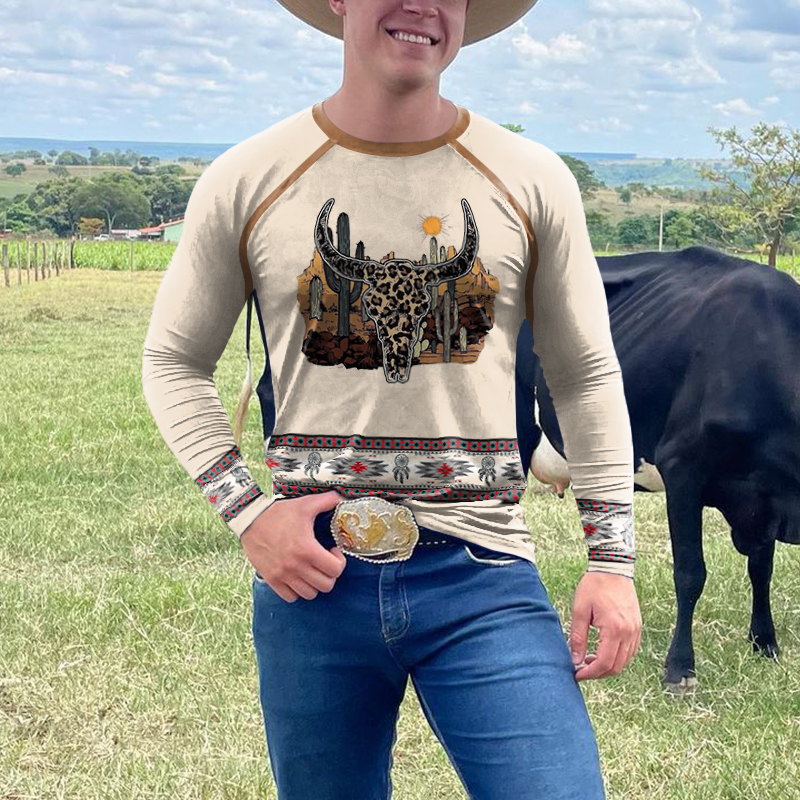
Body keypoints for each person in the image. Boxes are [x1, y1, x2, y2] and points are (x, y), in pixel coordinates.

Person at [141, 0, 643, 797]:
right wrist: (248, 514)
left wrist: (612, 561)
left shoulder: (532, 178)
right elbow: (172, 361)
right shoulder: (247, 177)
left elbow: (585, 374)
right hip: (312, 580)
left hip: (484, 575)